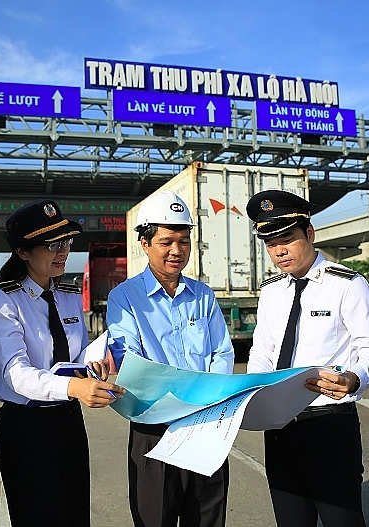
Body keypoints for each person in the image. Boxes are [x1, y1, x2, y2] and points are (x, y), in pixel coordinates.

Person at [244, 189, 369, 527]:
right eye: (270, 243)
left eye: (287, 239)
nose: (279, 251)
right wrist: (252, 390)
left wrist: (354, 378)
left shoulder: (347, 284)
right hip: (279, 428)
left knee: (343, 520)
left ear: (309, 233)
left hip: (328, 425)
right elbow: (263, 351)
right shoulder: (270, 292)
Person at [0, 199, 124, 527]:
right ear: (23, 252)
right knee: (36, 516)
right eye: (51, 245)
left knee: (74, 514)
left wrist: (94, 366)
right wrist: (74, 386)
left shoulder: (69, 294)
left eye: (67, 242)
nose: (63, 252)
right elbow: (16, 372)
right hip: (26, 426)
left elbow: (80, 353)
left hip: (68, 420)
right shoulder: (2, 299)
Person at [106, 190, 235, 527]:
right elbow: (132, 360)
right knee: (155, 519)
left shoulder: (203, 295)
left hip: (205, 425)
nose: (177, 250)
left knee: (207, 518)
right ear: (145, 244)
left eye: (184, 240)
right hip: (154, 427)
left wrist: (208, 398)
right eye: (166, 241)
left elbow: (221, 352)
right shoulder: (125, 299)